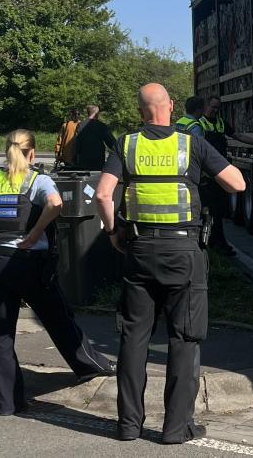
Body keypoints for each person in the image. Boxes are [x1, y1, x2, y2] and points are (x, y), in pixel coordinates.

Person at [95, 83, 245, 444]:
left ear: (140, 111)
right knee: (184, 339)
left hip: (139, 251)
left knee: (134, 338)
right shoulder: (189, 143)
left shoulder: (126, 144)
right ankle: (176, 429)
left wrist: (115, 234)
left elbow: (102, 194)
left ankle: (128, 426)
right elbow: (236, 184)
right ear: (170, 106)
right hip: (183, 253)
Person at [0, 129, 116, 415]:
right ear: (32, 153)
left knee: (2, 335)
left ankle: (5, 403)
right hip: (29, 262)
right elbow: (56, 204)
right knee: (58, 316)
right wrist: (35, 234)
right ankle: (89, 366)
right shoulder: (38, 180)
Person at [198, 97, 253, 255]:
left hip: (219, 172)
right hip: (206, 174)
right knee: (211, 211)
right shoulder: (199, 124)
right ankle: (213, 243)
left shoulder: (220, 123)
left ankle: (216, 243)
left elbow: (238, 136)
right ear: (206, 107)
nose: (215, 111)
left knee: (218, 211)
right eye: (213, 107)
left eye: (218, 108)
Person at [73, 105, 116, 171]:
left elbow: (76, 143)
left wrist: (74, 158)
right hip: (98, 160)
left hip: (83, 160)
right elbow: (111, 143)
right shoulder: (101, 126)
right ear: (97, 113)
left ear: (88, 113)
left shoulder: (80, 125)